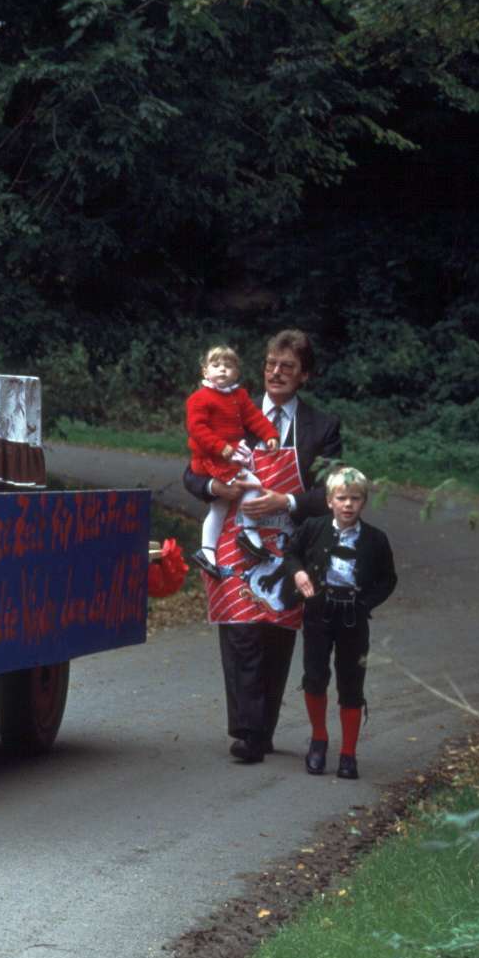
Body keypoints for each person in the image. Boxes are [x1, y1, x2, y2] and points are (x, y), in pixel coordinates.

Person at [181, 328, 344, 762]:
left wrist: (286, 501)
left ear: (304, 375)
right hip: (235, 539)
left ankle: (262, 728)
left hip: (290, 546)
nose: (276, 373)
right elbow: (192, 473)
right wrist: (216, 486)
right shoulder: (232, 408)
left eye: (287, 367)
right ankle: (248, 733)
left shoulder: (323, 427)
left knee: (275, 634)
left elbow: (333, 490)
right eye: (271, 364)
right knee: (242, 630)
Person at [281, 466, 395, 780]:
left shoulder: (375, 539)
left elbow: (388, 580)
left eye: (355, 498)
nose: (348, 504)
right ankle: (319, 740)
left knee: (351, 682)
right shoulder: (313, 527)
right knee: (315, 676)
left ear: (363, 502)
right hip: (318, 611)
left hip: (353, 617)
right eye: (342, 498)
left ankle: (348, 753)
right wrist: (298, 573)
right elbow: (290, 553)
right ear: (330, 500)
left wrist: (364, 604)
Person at [185, 346, 278, 578]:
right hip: (211, 458)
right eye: (216, 366)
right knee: (254, 484)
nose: (222, 370)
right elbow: (197, 429)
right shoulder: (199, 398)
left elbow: (254, 418)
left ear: (236, 373)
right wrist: (220, 446)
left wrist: (270, 434)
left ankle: (207, 550)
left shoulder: (239, 396)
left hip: (231, 457)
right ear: (205, 372)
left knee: (220, 506)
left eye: (228, 366)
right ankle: (248, 530)